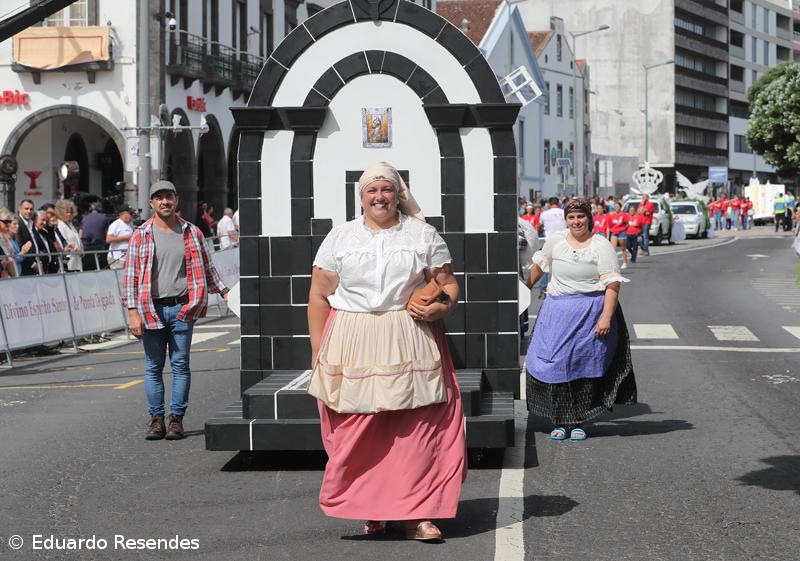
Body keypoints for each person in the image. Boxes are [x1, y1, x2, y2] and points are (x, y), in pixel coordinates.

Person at [307, 162, 466, 541]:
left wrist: (440, 307)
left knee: (416, 429)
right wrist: (317, 350)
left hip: (406, 335)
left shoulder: (422, 235)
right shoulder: (340, 237)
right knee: (358, 430)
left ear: (398, 194)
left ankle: (417, 516)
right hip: (351, 338)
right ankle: (373, 506)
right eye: (372, 190)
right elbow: (318, 295)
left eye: (386, 189)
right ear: (361, 196)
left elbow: (447, 285)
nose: (379, 197)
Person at [123, 181, 229, 441]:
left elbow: (208, 268)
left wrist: (226, 293)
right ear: (151, 203)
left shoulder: (192, 232)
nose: (165, 202)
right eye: (159, 198)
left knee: (181, 366)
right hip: (151, 309)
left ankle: (176, 420)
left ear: (176, 200)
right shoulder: (141, 234)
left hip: (183, 307)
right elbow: (130, 277)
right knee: (153, 367)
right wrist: (132, 312)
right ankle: (156, 420)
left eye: (169, 196)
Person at [524, 198, 636, 441]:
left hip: (590, 312)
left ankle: (579, 421)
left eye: (581, 217)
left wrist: (606, 317)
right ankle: (559, 420)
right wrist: (524, 289)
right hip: (556, 312)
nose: (576, 222)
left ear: (589, 219)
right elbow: (539, 267)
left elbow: (612, 284)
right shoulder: (556, 241)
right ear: (566, 220)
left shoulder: (601, 245)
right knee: (554, 364)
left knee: (582, 366)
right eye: (572, 217)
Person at [15, 198, 44, 275]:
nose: (29, 211)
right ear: (20, 209)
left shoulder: (32, 224)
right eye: (26, 209)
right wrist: (33, 265)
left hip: (36, 265)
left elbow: (38, 244)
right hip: (26, 268)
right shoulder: (18, 224)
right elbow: (20, 247)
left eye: (31, 209)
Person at [55, 199, 84, 272]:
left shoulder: (70, 224)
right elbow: (64, 243)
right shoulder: (59, 225)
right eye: (67, 212)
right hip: (67, 261)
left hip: (76, 260)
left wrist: (81, 249)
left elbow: (77, 239)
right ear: (60, 213)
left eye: (71, 212)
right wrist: (77, 249)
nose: (69, 214)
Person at [81, 201, 109, 270]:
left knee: (87, 268)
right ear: (100, 209)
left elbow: (80, 234)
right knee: (103, 268)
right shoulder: (104, 217)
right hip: (100, 247)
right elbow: (106, 234)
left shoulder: (84, 218)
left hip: (86, 247)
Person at [608, 204, 630, 270]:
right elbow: (609, 225)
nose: (616, 208)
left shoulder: (623, 215)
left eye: (617, 206)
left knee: (623, 248)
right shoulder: (612, 215)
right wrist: (609, 233)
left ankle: (625, 262)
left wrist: (623, 229)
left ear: (620, 207)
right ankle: (614, 264)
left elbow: (628, 224)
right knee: (612, 249)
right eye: (615, 206)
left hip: (622, 232)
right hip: (614, 232)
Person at [0, 208, 18, 277]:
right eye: (5, 221)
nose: (8, 224)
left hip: (11, 275)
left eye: (9, 221)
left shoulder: (6, 237)